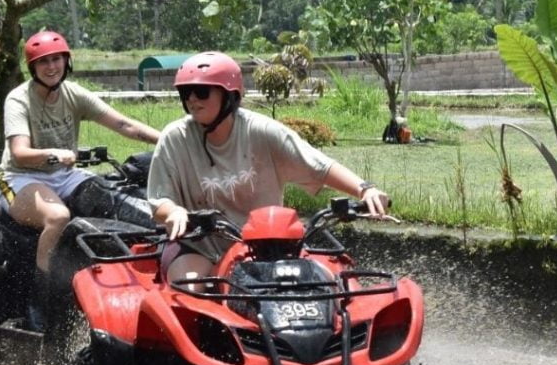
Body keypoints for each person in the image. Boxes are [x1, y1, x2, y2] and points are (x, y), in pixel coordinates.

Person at [147, 51, 390, 282]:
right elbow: (159, 199)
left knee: (325, 284)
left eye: (201, 91)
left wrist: (364, 189)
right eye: (186, 92)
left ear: (229, 95)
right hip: (201, 246)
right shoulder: (174, 138)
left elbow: (319, 165)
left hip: (267, 246)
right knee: (191, 288)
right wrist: (174, 212)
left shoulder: (262, 130)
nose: (191, 99)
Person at [0, 30, 160, 328]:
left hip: (65, 174)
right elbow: (20, 153)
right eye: (44, 61)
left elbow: (123, 123)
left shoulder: (73, 94)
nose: (51, 67)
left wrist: (167, 141)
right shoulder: (18, 100)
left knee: (113, 197)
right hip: (21, 178)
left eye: (57, 59)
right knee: (58, 217)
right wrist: (55, 154)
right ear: (33, 67)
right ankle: (40, 297)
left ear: (66, 61)